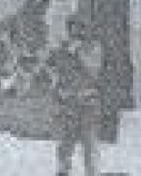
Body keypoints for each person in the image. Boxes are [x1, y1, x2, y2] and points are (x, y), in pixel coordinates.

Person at [44, 15, 103, 176]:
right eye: (71, 28)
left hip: (87, 104)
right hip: (67, 104)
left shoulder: (93, 48)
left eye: (79, 28)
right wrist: (55, 84)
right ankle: (63, 171)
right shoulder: (62, 49)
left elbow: (93, 71)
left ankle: (92, 172)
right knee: (65, 144)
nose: (75, 31)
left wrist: (78, 52)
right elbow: (49, 66)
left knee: (89, 144)